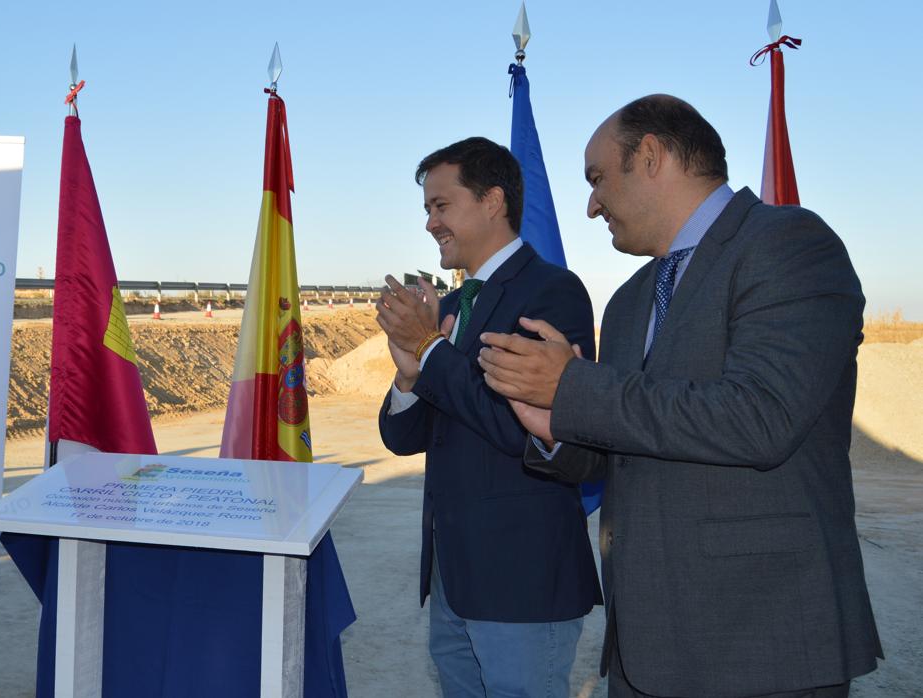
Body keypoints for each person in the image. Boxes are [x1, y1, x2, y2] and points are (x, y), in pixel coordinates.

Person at [477, 95, 882, 697]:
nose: (591, 205)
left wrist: (575, 387)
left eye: (597, 178)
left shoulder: (790, 244)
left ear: (650, 156)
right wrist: (555, 425)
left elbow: (760, 419)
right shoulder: (628, 301)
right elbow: (619, 445)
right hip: (643, 652)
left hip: (761, 646)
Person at [376, 136, 601, 697]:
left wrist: (431, 351)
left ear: (493, 200)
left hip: (520, 580)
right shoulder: (451, 308)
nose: (430, 222)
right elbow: (406, 439)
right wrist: (410, 374)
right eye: (427, 209)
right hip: (455, 577)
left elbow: (517, 425)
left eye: (441, 205)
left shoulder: (552, 292)